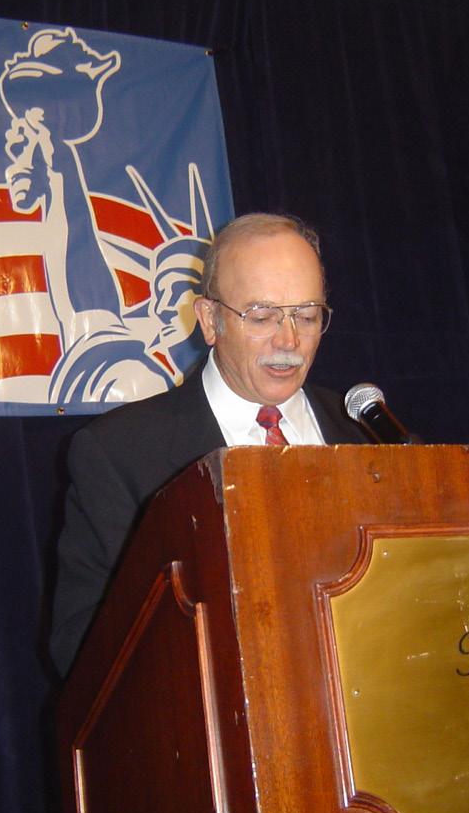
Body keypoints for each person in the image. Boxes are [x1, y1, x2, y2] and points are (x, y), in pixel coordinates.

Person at [49, 212, 369, 676]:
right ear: (210, 320)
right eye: (262, 316)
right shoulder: (122, 455)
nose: (289, 340)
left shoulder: (366, 434)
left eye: (306, 315)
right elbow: (83, 649)